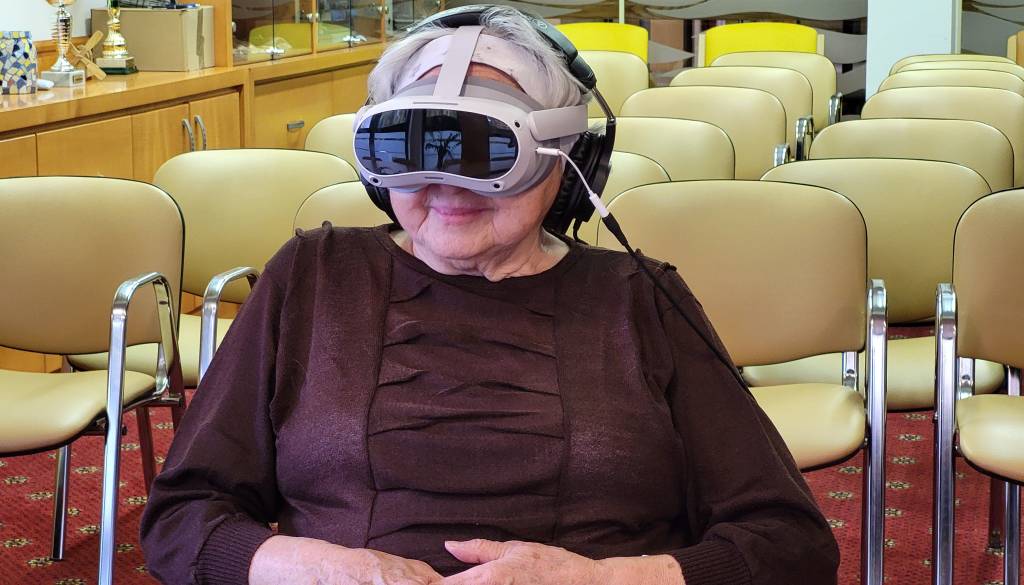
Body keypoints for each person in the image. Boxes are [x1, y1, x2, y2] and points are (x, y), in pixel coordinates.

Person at [140, 6, 840, 585]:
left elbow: (790, 542)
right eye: (412, 149)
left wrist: (601, 580)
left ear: (568, 163)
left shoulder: (639, 298)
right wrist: (317, 568)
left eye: (487, 151)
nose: (446, 184)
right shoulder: (312, 275)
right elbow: (182, 518)